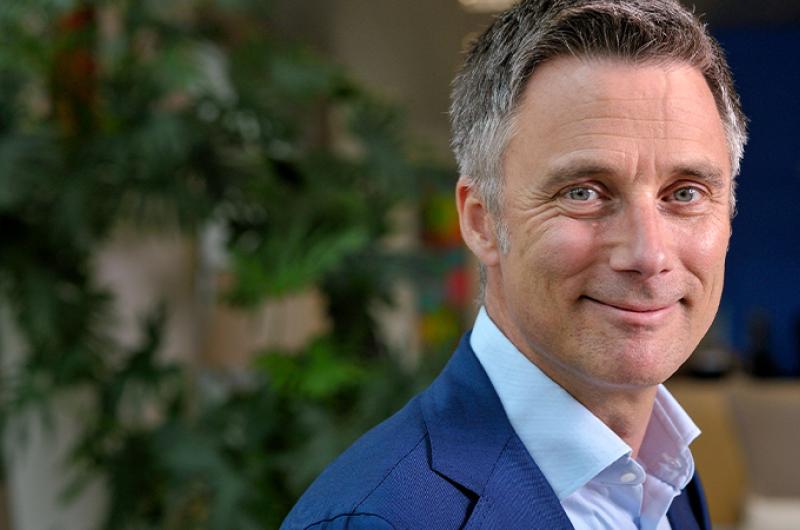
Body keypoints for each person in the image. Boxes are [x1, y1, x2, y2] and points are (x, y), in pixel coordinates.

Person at [282, 0, 747, 528]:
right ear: (482, 222)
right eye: (583, 193)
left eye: (685, 193)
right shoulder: (376, 520)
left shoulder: (663, 475)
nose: (649, 254)